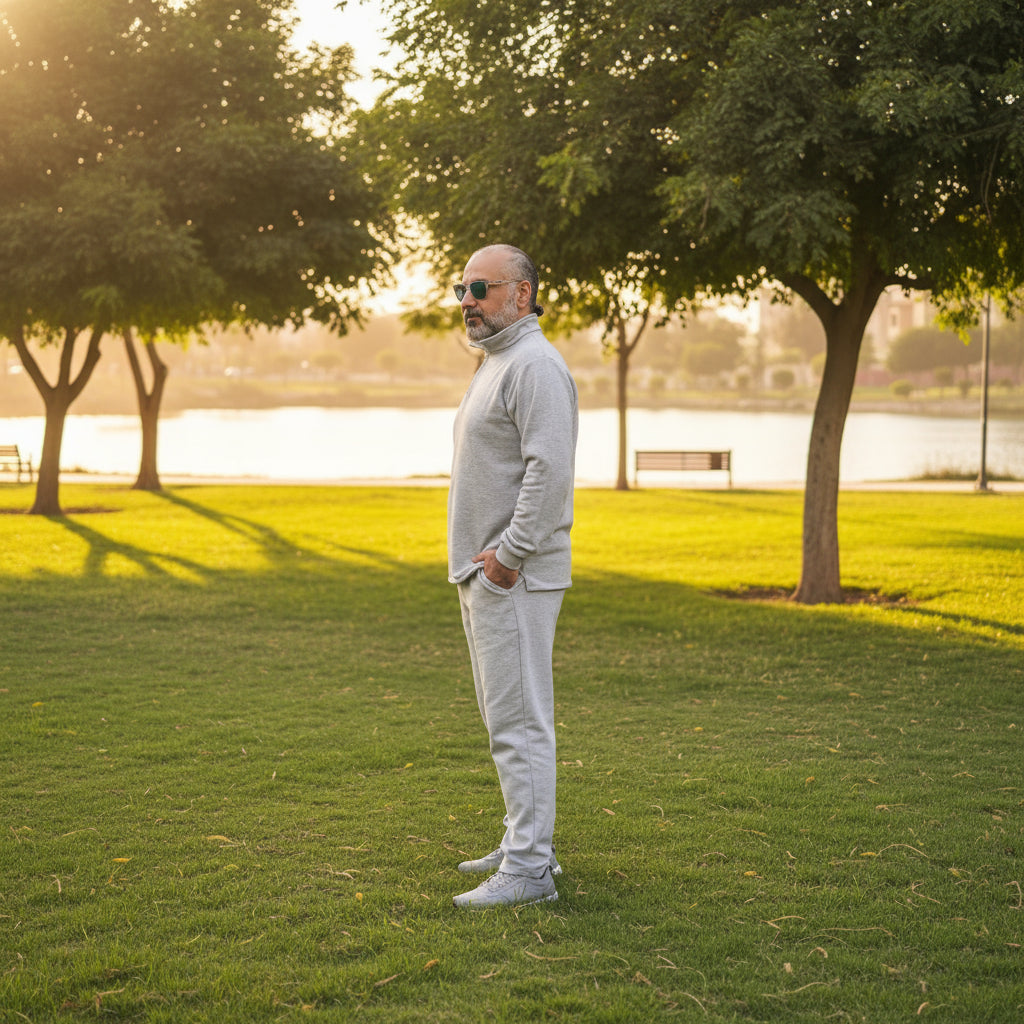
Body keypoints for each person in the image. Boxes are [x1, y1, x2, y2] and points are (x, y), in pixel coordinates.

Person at [447, 244, 578, 909]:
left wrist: (507, 558)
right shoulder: (501, 361)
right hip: (491, 576)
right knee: (509, 720)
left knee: (520, 723)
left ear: (522, 295)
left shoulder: (534, 365)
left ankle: (528, 872)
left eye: (480, 287)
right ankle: (527, 842)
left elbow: (548, 472)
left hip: (514, 576)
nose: (466, 300)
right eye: (461, 288)